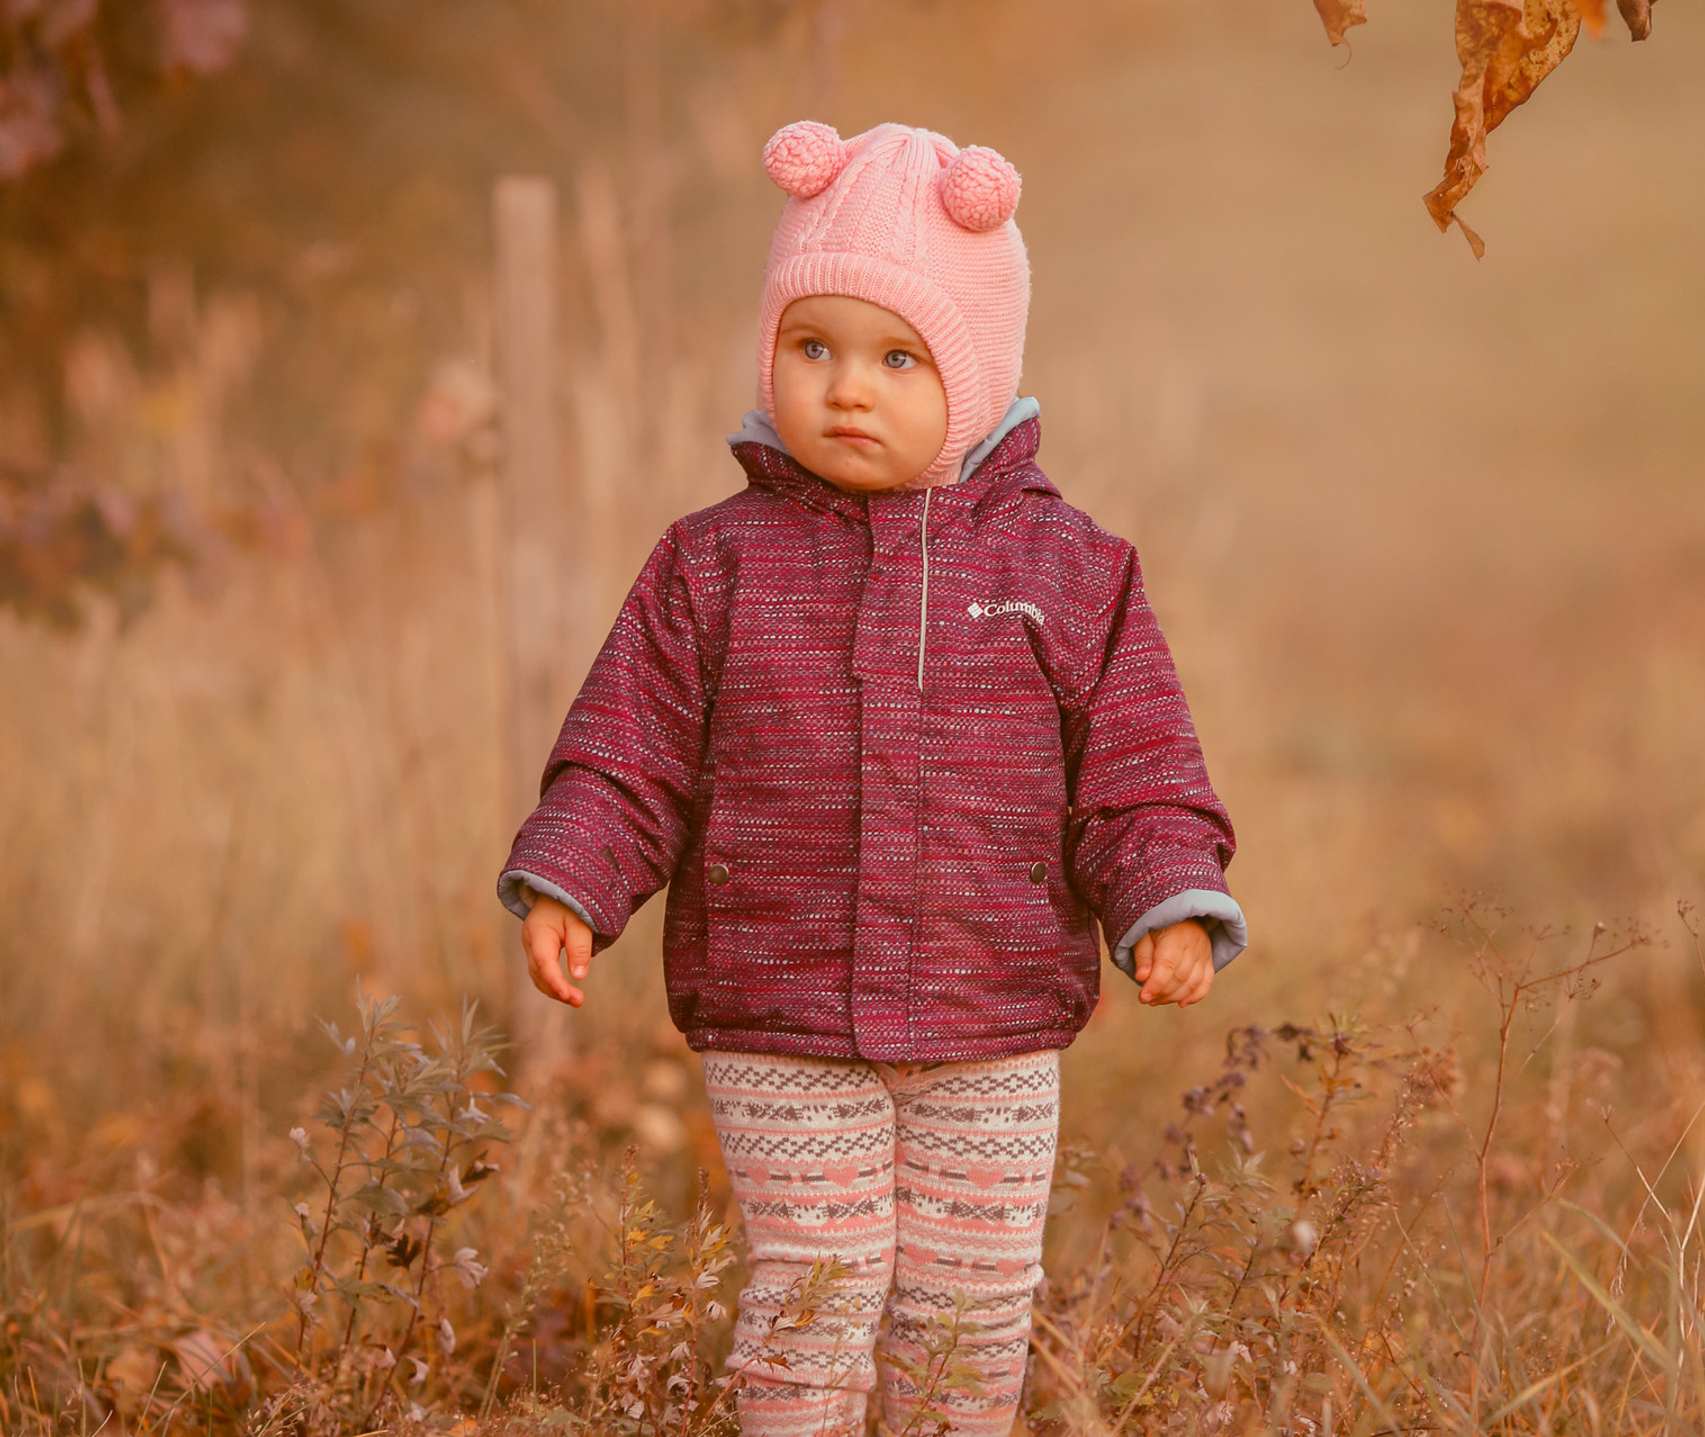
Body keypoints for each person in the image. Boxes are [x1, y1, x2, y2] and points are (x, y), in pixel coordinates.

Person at [497, 119, 1246, 1437]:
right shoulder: (712, 566)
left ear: (976, 375)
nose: (849, 388)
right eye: (813, 348)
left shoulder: (1068, 571)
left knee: (969, 1307)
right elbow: (630, 751)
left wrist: (1168, 898)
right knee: (813, 1294)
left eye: (899, 359)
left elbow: (1136, 770)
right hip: (779, 1014)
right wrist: (574, 875)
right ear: (772, 354)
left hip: (994, 1018)